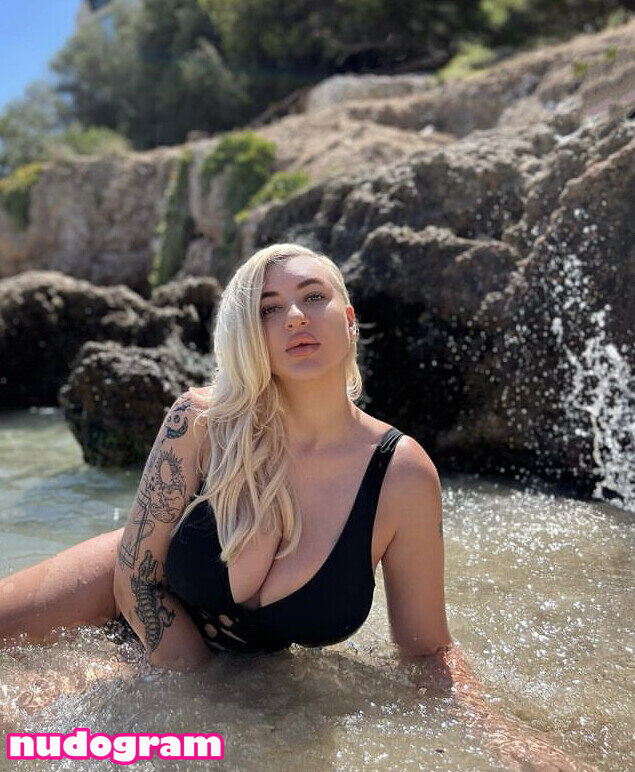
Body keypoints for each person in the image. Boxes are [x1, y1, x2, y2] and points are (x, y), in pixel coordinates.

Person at [0, 243, 593, 770]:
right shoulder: (203, 421)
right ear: (250, 334)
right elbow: (135, 576)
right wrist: (194, 692)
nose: (294, 317)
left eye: (313, 296)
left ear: (349, 320)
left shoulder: (401, 475)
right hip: (114, 595)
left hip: (201, 661)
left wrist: (497, 732)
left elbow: (425, 648)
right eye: (268, 309)